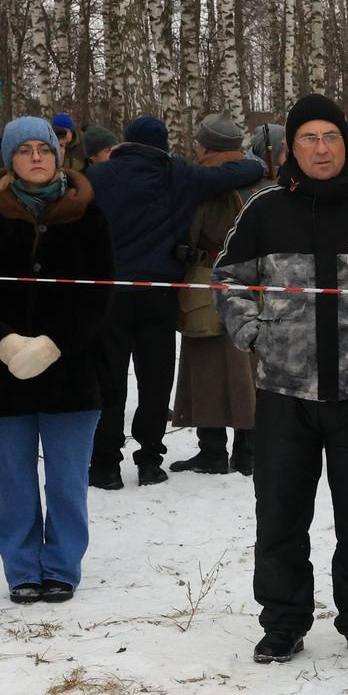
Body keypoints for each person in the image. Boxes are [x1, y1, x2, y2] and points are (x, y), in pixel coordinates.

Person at [213, 94, 348, 665]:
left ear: (344, 144)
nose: (320, 147)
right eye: (308, 138)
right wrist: (254, 333)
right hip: (285, 394)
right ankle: (283, 622)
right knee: (280, 515)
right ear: (291, 148)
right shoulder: (264, 211)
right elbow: (228, 280)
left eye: (329, 136)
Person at [0, 117, 115, 603]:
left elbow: (100, 295)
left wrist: (54, 344)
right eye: (24, 149)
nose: (35, 157)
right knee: (13, 482)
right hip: (0, 373)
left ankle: (62, 566)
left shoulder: (88, 213)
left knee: (68, 481)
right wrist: (3, 342)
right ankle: (23, 568)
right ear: (9, 159)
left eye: (43, 149)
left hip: (70, 371)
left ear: (58, 154)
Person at [86, 113, 266, 488]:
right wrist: (257, 162)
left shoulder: (98, 177)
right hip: (159, 294)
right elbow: (234, 174)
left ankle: (104, 464)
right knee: (154, 380)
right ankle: (150, 461)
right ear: (163, 144)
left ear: (125, 142)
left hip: (109, 294)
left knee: (110, 380)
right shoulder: (177, 174)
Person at [170, 112, 262, 476]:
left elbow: (188, 234)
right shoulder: (260, 181)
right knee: (248, 367)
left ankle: (212, 452)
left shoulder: (203, 186)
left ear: (205, 145)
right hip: (255, 283)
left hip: (208, 280)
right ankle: (248, 452)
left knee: (207, 366)